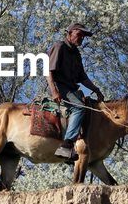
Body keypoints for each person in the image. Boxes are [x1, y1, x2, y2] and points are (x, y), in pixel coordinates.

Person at [45, 23, 105, 159]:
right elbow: (48, 71)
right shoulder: (59, 46)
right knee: (79, 107)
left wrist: (96, 90)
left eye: (83, 37)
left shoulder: (76, 54)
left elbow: (83, 78)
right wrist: (54, 91)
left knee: (90, 108)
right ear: (70, 33)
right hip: (61, 87)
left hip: (72, 89)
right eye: (79, 35)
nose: (81, 38)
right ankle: (66, 146)